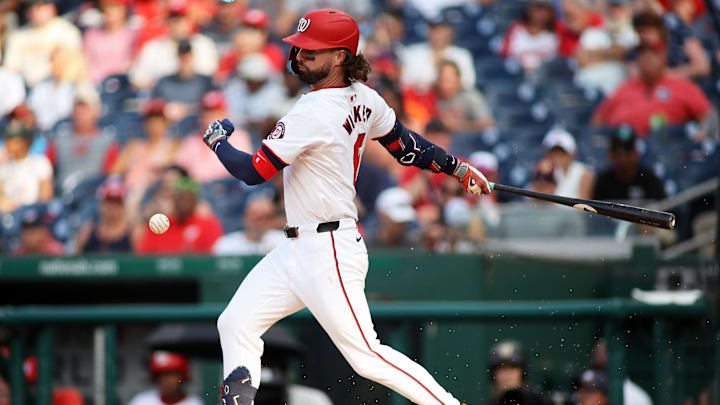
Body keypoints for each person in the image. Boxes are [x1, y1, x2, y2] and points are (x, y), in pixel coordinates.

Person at [205, 9, 489, 405]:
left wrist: (218, 143)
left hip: (328, 249)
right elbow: (407, 148)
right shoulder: (364, 97)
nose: (300, 56)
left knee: (367, 358)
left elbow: (254, 172)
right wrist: (457, 167)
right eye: (299, 49)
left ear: (340, 56)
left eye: (311, 51)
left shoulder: (312, 111)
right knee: (235, 322)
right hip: (295, 248)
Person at [592, 40, 715, 137]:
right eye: (643, 53)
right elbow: (597, 121)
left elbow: (708, 117)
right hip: (625, 152)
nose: (648, 58)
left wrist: (700, 136)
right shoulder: (624, 87)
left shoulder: (682, 86)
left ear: (664, 57)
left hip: (667, 154)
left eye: (653, 52)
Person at [129, 0, 218, 90]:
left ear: (190, 21)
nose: (177, 24)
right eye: (173, 19)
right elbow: (137, 80)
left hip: (195, 98)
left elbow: (208, 77)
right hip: (163, 99)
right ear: (166, 21)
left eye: (181, 19)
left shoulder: (203, 44)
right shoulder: (153, 47)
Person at [111, 99, 178, 213]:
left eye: (159, 120)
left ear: (166, 123)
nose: (154, 125)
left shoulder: (172, 146)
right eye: (151, 120)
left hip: (156, 193)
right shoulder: (133, 145)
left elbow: (173, 170)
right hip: (131, 192)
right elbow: (114, 171)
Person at [175, 90, 253, 183]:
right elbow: (178, 169)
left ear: (225, 113)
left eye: (215, 112)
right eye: (206, 112)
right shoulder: (192, 140)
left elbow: (243, 169)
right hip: (197, 190)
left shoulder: (239, 137)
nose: (209, 117)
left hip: (227, 189)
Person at [46, 95, 120, 194]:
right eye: (78, 109)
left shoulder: (107, 141)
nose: (81, 113)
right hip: (63, 194)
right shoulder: (58, 140)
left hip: (93, 195)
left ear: (95, 112)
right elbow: (45, 169)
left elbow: (112, 174)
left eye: (85, 109)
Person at [2, 0, 82, 87]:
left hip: (56, 87)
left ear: (52, 7)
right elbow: (10, 70)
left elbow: (73, 69)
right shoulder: (18, 36)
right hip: (25, 89)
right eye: (30, 7)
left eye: (40, 6)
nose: (35, 11)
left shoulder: (67, 32)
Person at [136, 176, 223, 254]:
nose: (183, 202)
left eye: (187, 197)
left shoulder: (207, 224)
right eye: (179, 197)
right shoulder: (160, 223)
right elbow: (145, 256)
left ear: (195, 200)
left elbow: (213, 258)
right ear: (173, 199)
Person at [592, 126, 666, 202]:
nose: (623, 159)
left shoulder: (650, 180)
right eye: (617, 153)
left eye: (628, 152)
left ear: (636, 153)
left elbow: (663, 208)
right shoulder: (603, 182)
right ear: (610, 154)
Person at [400, 17, 476, 91]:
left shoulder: (462, 55)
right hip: (420, 99)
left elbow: (468, 82)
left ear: (450, 32)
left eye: (442, 30)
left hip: (452, 99)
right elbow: (405, 81)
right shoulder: (413, 52)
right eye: (434, 30)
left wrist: (443, 86)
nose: (438, 34)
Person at [151, 40, 215, 122]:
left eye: (187, 57)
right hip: (169, 127)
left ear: (193, 57)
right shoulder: (164, 82)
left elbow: (212, 107)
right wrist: (166, 108)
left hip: (198, 127)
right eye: (182, 57)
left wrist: (187, 110)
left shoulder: (205, 82)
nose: (185, 60)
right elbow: (154, 107)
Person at [0, 120, 53, 213]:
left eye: (13, 139)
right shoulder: (4, 166)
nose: (8, 143)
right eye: (7, 139)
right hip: (8, 214)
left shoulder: (39, 162)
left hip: (33, 213)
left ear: (25, 142)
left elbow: (45, 195)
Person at [83, 0, 136, 85]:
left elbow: (132, 65)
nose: (109, 11)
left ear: (124, 9)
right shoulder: (91, 35)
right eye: (106, 7)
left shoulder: (133, 35)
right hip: (95, 84)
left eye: (114, 7)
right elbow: (85, 62)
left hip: (121, 85)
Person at [74, 177, 133, 254]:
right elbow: (77, 260)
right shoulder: (88, 231)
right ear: (101, 204)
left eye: (117, 203)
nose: (112, 208)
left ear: (123, 206)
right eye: (109, 202)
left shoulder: (132, 233)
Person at [213, 194, 285, 255]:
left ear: (273, 220)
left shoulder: (283, 242)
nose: (259, 222)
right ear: (245, 217)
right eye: (254, 216)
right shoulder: (226, 244)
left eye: (266, 217)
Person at [435, 60, 494, 133]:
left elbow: (488, 123)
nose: (444, 85)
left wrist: (458, 125)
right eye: (442, 80)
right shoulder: (431, 97)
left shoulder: (470, 97)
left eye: (448, 80)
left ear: (458, 80)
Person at [501, 0, 558, 73]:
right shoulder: (516, 29)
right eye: (537, 9)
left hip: (544, 75)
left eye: (544, 10)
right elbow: (504, 54)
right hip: (516, 72)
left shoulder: (555, 32)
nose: (540, 14)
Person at [589, 339, 652, 405]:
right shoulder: (584, 391)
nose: (598, 375)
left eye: (601, 370)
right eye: (596, 369)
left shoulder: (635, 397)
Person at [127, 351, 203, 405]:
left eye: (170, 374)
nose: (165, 380)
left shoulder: (194, 402)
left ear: (182, 376)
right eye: (161, 375)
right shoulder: (142, 401)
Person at [539, 128, 594, 200]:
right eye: (553, 153)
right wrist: (545, 177)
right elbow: (538, 203)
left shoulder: (584, 173)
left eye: (562, 154)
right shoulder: (543, 172)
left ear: (572, 154)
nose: (557, 158)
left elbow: (583, 206)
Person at [486, 340, 546, 405]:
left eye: (512, 367)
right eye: (501, 368)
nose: (507, 373)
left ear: (523, 372)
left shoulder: (541, 402)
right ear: (494, 374)